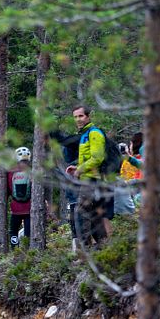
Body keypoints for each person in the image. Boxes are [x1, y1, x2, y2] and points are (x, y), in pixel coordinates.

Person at [66, 105, 110, 248]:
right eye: (75, 117)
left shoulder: (94, 133)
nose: (78, 119)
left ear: (88, 117)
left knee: (80, 212)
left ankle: (86, 249)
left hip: (92, 179)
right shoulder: (85, 134)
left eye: (81, 116)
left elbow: (97, 158)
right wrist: (77, 167)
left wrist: (80, 170)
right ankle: (104, 247)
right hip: (90, 179)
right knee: (95, 215)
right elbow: (88, 158)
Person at [8, 147, 32, 246]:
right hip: (29, 209)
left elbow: (9, 189)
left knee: (13, 232)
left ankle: (15, 251)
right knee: (28, 233)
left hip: (15, 208)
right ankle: (28, 252)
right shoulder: (32, 172)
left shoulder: (10, 173)